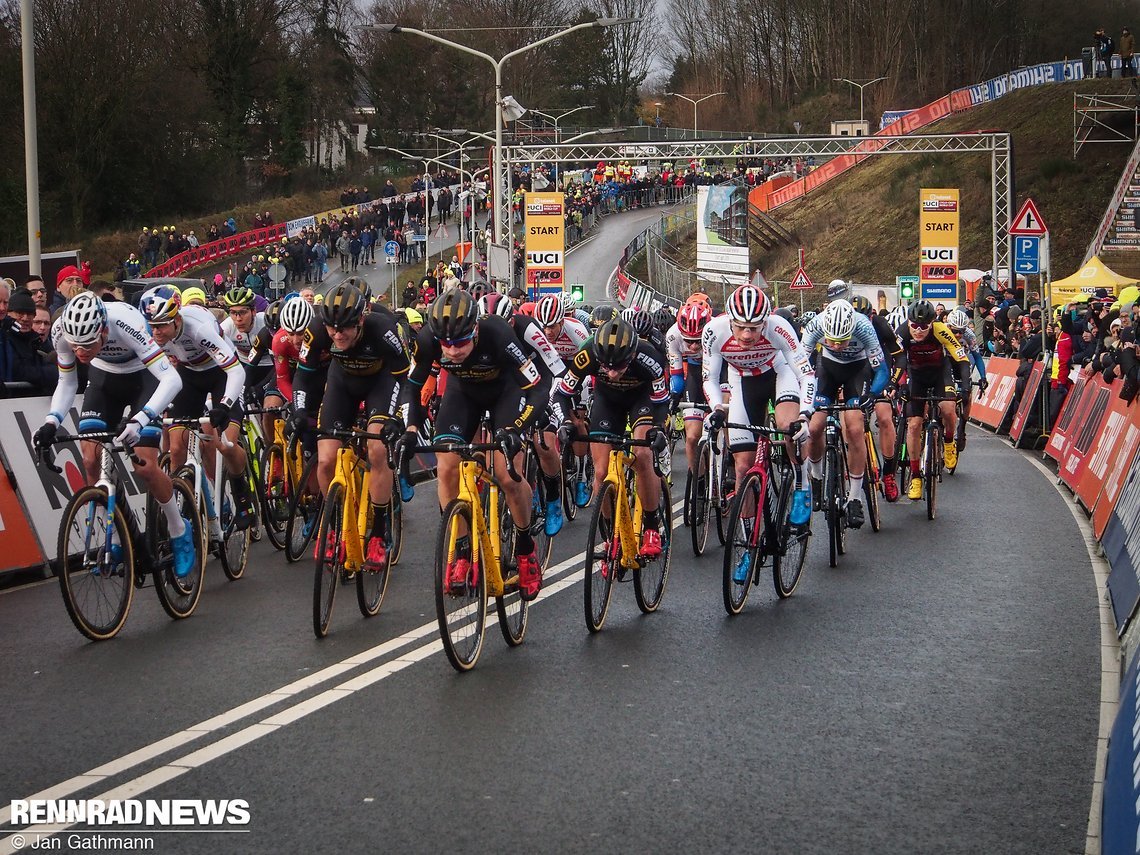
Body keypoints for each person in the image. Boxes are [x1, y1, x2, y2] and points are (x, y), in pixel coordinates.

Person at [31, 292, 196, 577]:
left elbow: (172, 379)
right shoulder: (62, 331)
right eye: (76, 346)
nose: (81, 352)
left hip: (143, 377)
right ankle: (118, 538)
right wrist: (50, 423)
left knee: (144, 464)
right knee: (90, 458)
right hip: (104, 380)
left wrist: (140, 419)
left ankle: (179, 529)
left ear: (104, 331)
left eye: (88, 344)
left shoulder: (126, 323)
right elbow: (67, 382)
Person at [402, 289, 547, 599]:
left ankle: (524, 548)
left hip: (505, 393)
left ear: (476, 329)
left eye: (461, 342)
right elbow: (411, 388)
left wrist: (517, 428)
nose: (453, 352)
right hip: (462, 393)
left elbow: (536, 390)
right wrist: (411, 427)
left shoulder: (498, 333)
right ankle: (463, 551)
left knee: (507, 474)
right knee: (447, 466)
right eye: (447, 345)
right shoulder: (428, 339)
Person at [292, 282, 409, 571]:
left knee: (377, 449)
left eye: (344, 328)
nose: (337, 334)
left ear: (360, 319)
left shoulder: (384, 330)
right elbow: (303, 378)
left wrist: (399, 418)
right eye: (332, 329)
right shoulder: (318, 329)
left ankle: (380, 532)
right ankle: (332, 527)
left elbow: (407, 380)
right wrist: (299, 412)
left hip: (381, 384)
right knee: (326, 457)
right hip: (342, 384)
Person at [550, 316, 671, 558]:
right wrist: (565, 422)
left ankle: (650, 526)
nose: (613, 373)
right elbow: (561, 395)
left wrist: (658, 428)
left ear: (632, 354)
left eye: (619, 367)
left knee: (643, 455)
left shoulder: (650, 357)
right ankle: (608, 534)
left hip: (642, 400)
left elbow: (661, 401)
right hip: (608, 402)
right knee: (602, 472)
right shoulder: (587, 354)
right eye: (606, 367)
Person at [137, 285, 255, 530]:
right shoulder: (150, 333)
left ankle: (242, 494)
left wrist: (225, 404)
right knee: (177, 445)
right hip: (189, 375)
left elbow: (234, 371)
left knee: (224, 443)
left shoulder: (199, 329)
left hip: (222, 373)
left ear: (177, 319)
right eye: (152, 326)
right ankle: (184, 505)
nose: (156, 332)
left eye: (162, 326)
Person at [800, 300, 888, 529]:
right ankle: (817, 478)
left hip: (857, 371)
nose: (837, 345)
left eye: (842, 340)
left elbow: (881, 370)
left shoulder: (865, 328)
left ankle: (855, 498)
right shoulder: (815, 326)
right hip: (827, 368)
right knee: (815, 426)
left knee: (855, 428)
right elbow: (798, 364)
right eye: (832, 340)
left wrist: (873, 393)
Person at [895, 300, 969, 499]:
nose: (918, 331)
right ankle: (916, 477)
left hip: (939, 374)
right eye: (914, 326)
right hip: (916, 376)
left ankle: (948, 442)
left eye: (924, 326)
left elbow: (960, 358)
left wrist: (966, 385)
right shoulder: (902, 332)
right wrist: (900, 384)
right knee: (914, 425)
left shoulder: (941, 329)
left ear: (931, 324)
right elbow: (896, 360)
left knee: (947, 408)